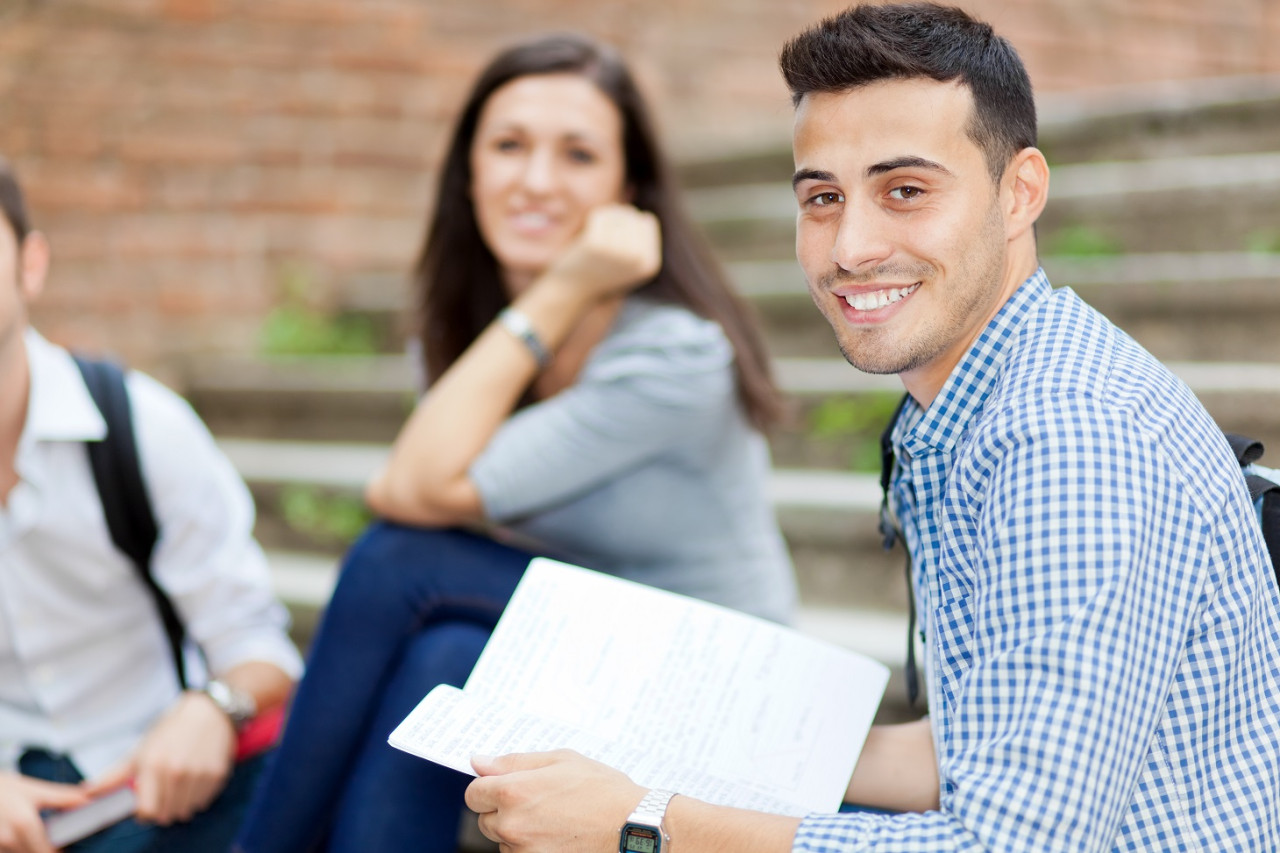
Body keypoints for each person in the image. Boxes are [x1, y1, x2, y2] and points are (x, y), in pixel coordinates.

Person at [460, 4, 1280, 852]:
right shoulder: (972, 394)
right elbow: (980, 743)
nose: (850, 245)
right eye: (823, 197)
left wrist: (641, 823)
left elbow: (1013, 845)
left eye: (906, 191)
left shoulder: (1069, 436)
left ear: (1020, 192)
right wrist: (667, 740)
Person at [233, 32, 797, 853]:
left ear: (626, 189)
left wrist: (566, 283)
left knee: (399, 559)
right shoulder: (476, 349)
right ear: (469, 170)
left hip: (712, 686)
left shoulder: (675, 355)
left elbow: (409, 495)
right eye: (508, 146)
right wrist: (542, 310)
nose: (536, 180)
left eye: (576, 155)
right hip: (583, 651)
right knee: (445, 658)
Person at [0, 156, 303, 853]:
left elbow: (259, 646)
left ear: (31, 264)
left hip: (160, 792)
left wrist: (214, 706)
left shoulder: (141, 427)